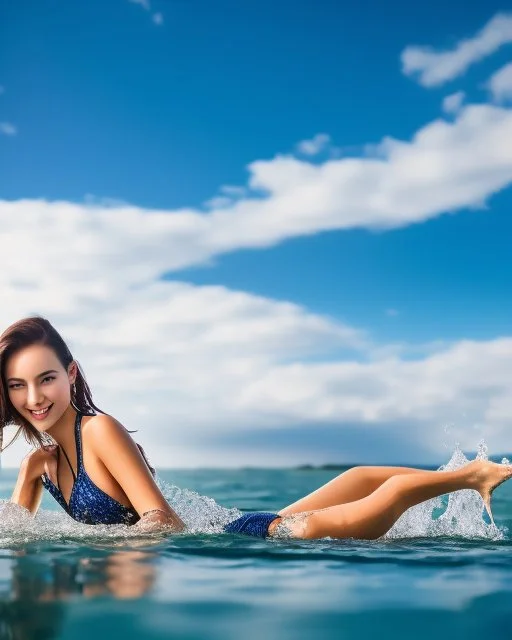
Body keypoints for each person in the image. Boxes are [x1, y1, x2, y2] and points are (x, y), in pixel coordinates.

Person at [1, 317, 511, 541]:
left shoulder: (101, 430)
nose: (34, 398)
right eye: (17, 385)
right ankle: (470, 471)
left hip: (255, 536)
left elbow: (163, 520)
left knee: (316, 527)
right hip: (242, 527)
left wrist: (100, 551)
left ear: (69, 374)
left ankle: (470, 478)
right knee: (356, 476)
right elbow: (17, 535)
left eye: (46, 379)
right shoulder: (37, 466)